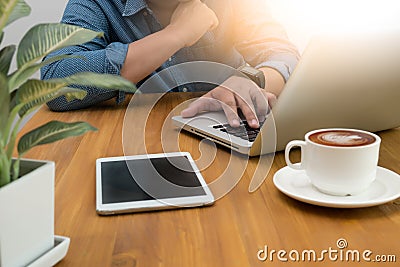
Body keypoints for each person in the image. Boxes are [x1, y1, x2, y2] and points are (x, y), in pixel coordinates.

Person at [41, 0, 299, 128]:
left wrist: (250, 82)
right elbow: (56, 84)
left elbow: (282, 53)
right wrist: (176, 34)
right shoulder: (96, 4)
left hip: (227, 137)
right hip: (127, 148)